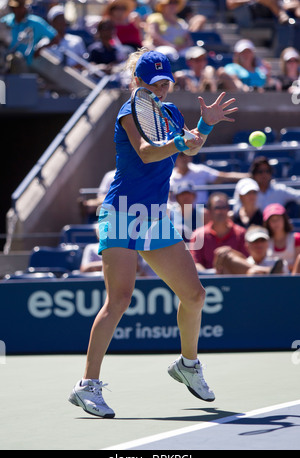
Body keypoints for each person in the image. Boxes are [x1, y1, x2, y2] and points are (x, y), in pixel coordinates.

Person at [68, 48, 238, 418]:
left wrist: (205, 126)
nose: (161, 90)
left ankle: (188, 365)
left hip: (155, 216)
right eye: (154, 84)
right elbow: (146, 153)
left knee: (194, 295)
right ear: (138, 84)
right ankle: (87, 386)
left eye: (166, 83)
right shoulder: (130, 110)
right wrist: (180, 142)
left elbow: (190, 150)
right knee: (120, 299)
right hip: (122, 212)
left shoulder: (172, 112)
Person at [169, 152, 249, 223]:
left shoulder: (200, 170)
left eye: (187, 154)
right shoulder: (170, 176)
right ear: (175, 157)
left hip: (202, 213)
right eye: (181, 155)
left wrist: (249, 176)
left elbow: (224, 176)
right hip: (177, 213)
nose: (185, 157)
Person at [190, 192, 248, 272]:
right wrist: (213, 277)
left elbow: (248, 262)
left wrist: (231, 253)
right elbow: (195, 264)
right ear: (209, 211)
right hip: (207, 283)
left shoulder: (241, 233)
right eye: (217, 208)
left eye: (224, 207)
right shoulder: (198, 235)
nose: (221, 211)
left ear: (228, 209)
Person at [0, 0, 58, 70]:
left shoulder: (35, 23)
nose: (20, 9)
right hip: (4, 63)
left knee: (17, 60)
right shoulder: (6, 21)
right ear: (13, 8)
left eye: (22, 6)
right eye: (17, 7)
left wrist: (40, 48)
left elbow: (55, 38)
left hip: (25, 65)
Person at [233, 156, 300, 215]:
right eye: (260, 171)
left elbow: (298, 195)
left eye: (267, 171)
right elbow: (237, 211)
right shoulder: (247, 191)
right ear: (254, 174)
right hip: (253, 227)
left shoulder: (280, 190)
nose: (264, 175)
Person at [213, 225, 287, 275]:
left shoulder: (278, 263)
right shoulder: (238, 264)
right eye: (255, 241)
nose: (259, 245)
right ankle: (265, 271)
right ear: (247, 246)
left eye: (262, 240)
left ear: (268, 244)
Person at [173, 45, 238, 93]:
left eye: (203, 59)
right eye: (197, 60)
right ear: (189, 62)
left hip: (209, 101)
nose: (200, 63)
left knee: (210, 70)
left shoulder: (210, 73)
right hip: (188, 104)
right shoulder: (184, 75)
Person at [263, 203, 300, 272]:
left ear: (284, 220)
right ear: (268, 223)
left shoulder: (297, 238)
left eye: (278, 219)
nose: (276, 223)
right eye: (272, 220)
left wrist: (283, 268)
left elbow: (298, 265)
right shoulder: (264, 240)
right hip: (270, 280)